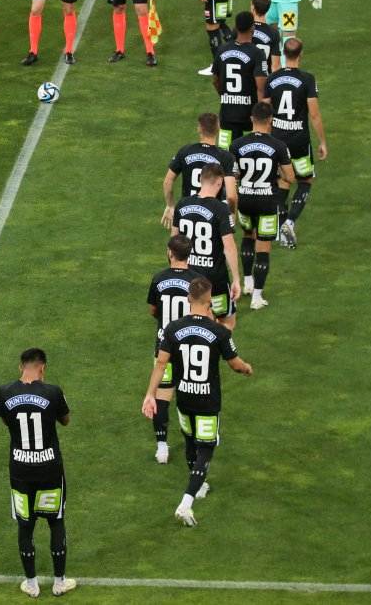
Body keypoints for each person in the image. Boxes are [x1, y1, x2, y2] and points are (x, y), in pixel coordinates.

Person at [142, 277, 253, 527]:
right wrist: (246, 368)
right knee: (207, 448)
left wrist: (150, 393)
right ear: (209, 298)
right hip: (207, 400)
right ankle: (186, 503)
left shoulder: (172, 329)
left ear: (188, 298)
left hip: (184, 395)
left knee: (190, 440)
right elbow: (234, 364)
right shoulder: (219, 331)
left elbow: (161, 364)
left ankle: (200, 485)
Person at [0, 348, 77, 598]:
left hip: (20, 470)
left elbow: (5, 420)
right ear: (42, 368)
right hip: (50, 468)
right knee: (56, 521)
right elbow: (66, 420)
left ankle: (31, 584)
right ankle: (59, 582)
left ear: (21, 368)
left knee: (25, 525)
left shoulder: (4, 392)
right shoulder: (53, 392)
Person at [230, 103, 295, 309]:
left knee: (248, 236)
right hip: (268, 201)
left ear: (251, 119)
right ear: (271, 121)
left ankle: (247, 281)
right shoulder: (278, 145)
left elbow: (234, 175)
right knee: (264, 248)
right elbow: (290, 177)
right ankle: (257, 297)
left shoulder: (237, 144)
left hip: (245, 199)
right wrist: (275, 173)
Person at [145, 234, 202, 464]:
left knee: (162, 397)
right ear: (190, 253)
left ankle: (162, 448)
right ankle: (197, 443)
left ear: (170, 252)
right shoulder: (197, 280)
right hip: (190, 346)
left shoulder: (159, 279)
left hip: (165, 345)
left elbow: (152, 310)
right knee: (191, 397)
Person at [268, 37, 328, 249]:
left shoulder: (272, 79)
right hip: (299, 141)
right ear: (300, 54)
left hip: (277, 139)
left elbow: (264, 111)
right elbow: (314, 114)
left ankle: (279, 229)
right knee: (306, 180)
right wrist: (322, 142)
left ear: (284, 54)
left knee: (284, 181)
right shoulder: (308, 79)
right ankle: (290, 222)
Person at [173, 164, 241, 330]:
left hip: (189, 278)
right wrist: (237, 279)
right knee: (227, 321)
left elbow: (173, 242)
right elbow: (229, 246)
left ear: (200, 179)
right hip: (215, 279)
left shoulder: (182, 204)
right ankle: (213, 353)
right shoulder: (220, 208)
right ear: (219, 182)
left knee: (193, 322)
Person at [161, 112, 238, 229]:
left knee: (184, 246)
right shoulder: (226, 157)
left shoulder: (185, 151)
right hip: (212, 214)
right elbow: (231, 196)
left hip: (186, 212)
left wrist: (170, 206)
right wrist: (232, 213)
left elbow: (168, 181)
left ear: (199, 129)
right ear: (218, 129)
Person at [211, 11, 268, 148]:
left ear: (235, 26)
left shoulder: (222, 50)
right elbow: (261, 87)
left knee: (226, 156)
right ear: (252, 28)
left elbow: (215, 80)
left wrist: (225, 96)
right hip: (248, 116)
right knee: (248, 153)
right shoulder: (257, 54)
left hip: (227, 114)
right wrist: (262, 117)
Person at [250, 0, 282, 74]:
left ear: (253, 8)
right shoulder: (274, 33)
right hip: (265, 80)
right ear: (267, 9)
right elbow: (276, 66)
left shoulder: (242, 29)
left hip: (245, 80)